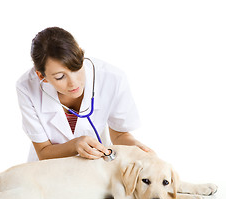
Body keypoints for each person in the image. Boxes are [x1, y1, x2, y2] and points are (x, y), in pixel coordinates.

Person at [16, 27, 154, 162]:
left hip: (95, 167)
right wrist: (74, 145)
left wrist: (136, 148)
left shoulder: (113, 78)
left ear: (81, 54)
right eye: (60, 77)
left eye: (76, 69)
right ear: (41, 76)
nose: (73, 83)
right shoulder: (26, 87)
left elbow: (119, 135)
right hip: (48, 171)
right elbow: (43, 151)